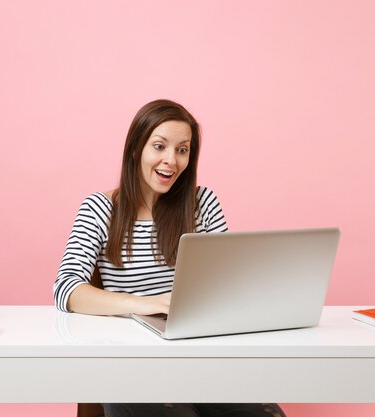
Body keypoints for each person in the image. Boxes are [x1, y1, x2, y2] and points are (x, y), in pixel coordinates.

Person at [54, 99, 286, 417]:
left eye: (182, 150)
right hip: (132, 366)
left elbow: (227, 285)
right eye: (160, 146)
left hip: (202, 363)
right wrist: (148, 304)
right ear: (136, 149)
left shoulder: (202, 203)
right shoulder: (99, 209)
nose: (171, 161)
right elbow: (66, 289)